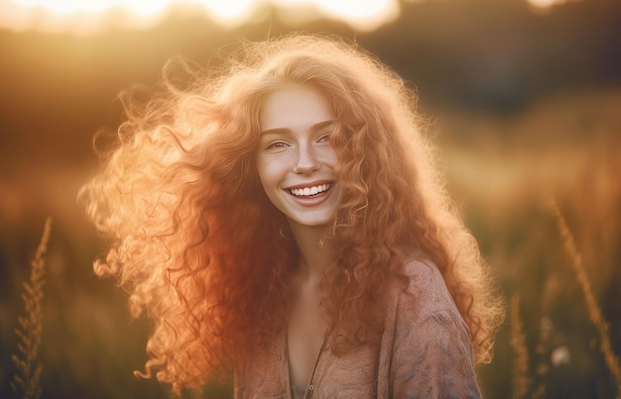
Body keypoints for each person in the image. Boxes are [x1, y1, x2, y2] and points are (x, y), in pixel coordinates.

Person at [79, 34, 503, 398]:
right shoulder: (257, 290)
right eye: (278, 144)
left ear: (367, 153)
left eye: (327, 137)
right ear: (250, 165)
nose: (304, 162)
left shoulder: (413, 293)